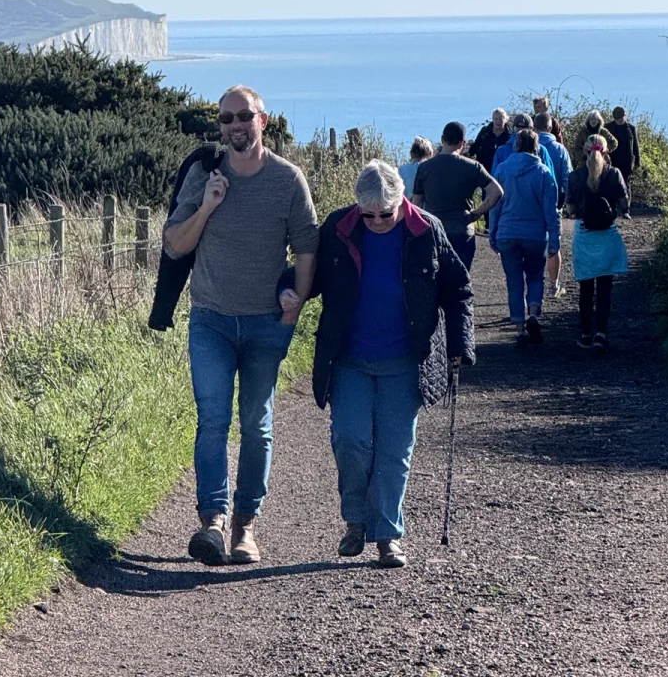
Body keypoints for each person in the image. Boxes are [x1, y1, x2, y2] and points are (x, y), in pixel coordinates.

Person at [164, 85, 319, 566]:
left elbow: (307, 244)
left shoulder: (288, 179)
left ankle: (245, 526)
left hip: (266, 324)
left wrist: (298, 304)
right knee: (213, 420)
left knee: (256, 424)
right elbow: (174, 245)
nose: (235, 125)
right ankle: (212, 520)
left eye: (243, 116)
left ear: (262, 120)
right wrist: (208, 206)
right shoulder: (203, 175)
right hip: (210, 319)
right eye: (226, 118)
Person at [307, 160, 475, 568]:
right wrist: (284, 291)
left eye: (387, 213)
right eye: (370, 215)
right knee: (350, 441)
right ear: (357, 208)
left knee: (393, 451)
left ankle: (387, 535)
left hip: (406, 359)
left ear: (402, 202)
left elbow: (458, 290)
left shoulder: (427, 229)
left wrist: (460, 345)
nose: (379, 221)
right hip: (349, 357)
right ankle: (355, 521)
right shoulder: (338, 228)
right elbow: (309, 279)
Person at [488, 127, 560, 346]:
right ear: (536, 147)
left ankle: (519, 328)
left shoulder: (501, 170)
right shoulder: (544, 173)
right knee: (535, 276)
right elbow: (551, 211)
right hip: (535, 235)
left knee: (514, 280)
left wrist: (493, 233)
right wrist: (555, 240)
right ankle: (534, 314)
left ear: (516, 146)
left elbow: (494, 206)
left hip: (507, 233)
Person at [563, 134, 629, 352]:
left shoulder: (575, 177)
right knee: (604, 288)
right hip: (606, 234)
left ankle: (585, 333)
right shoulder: (614, 174)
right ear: (606, 151)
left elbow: (570, 208)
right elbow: (623, 203)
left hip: (585, 234)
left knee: (585, 287)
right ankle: (601, 333)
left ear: (585, 151)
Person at [412, 120, 503, 269]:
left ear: (442, 139)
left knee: (436, 282)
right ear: (462, 143)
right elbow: (497, 192)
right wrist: (476, 213)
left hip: (434, 232)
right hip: (462, 230)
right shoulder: (473, 167)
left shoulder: (424, 168)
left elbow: (416, 205)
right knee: (461, 281)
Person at [533, 111, 571, 298]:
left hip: (531, 203)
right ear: (550, 127)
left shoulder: (527, 144)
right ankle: (553, 285)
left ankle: (534, 284)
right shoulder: (559, 149)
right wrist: (570, 201)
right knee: (554, 244)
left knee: (534, 243)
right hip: (555, 202)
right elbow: (567, 177)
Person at [491, 113, 557, 182]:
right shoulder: (541, 150)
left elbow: (494, 181)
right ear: (532, 130)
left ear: (513, 129)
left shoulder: (501, 151)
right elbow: (550, 181)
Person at [607, 106, 641, 203]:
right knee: (612, 183)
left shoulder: (631, 128)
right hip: (612, 161)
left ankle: (626, 209)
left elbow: (635, 146)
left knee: (626, 184)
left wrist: (638, 161)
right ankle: (613, 207)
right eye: (617, 119)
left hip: (627, 161)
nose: (620, 120)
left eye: (621, 118)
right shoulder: (608, 127)